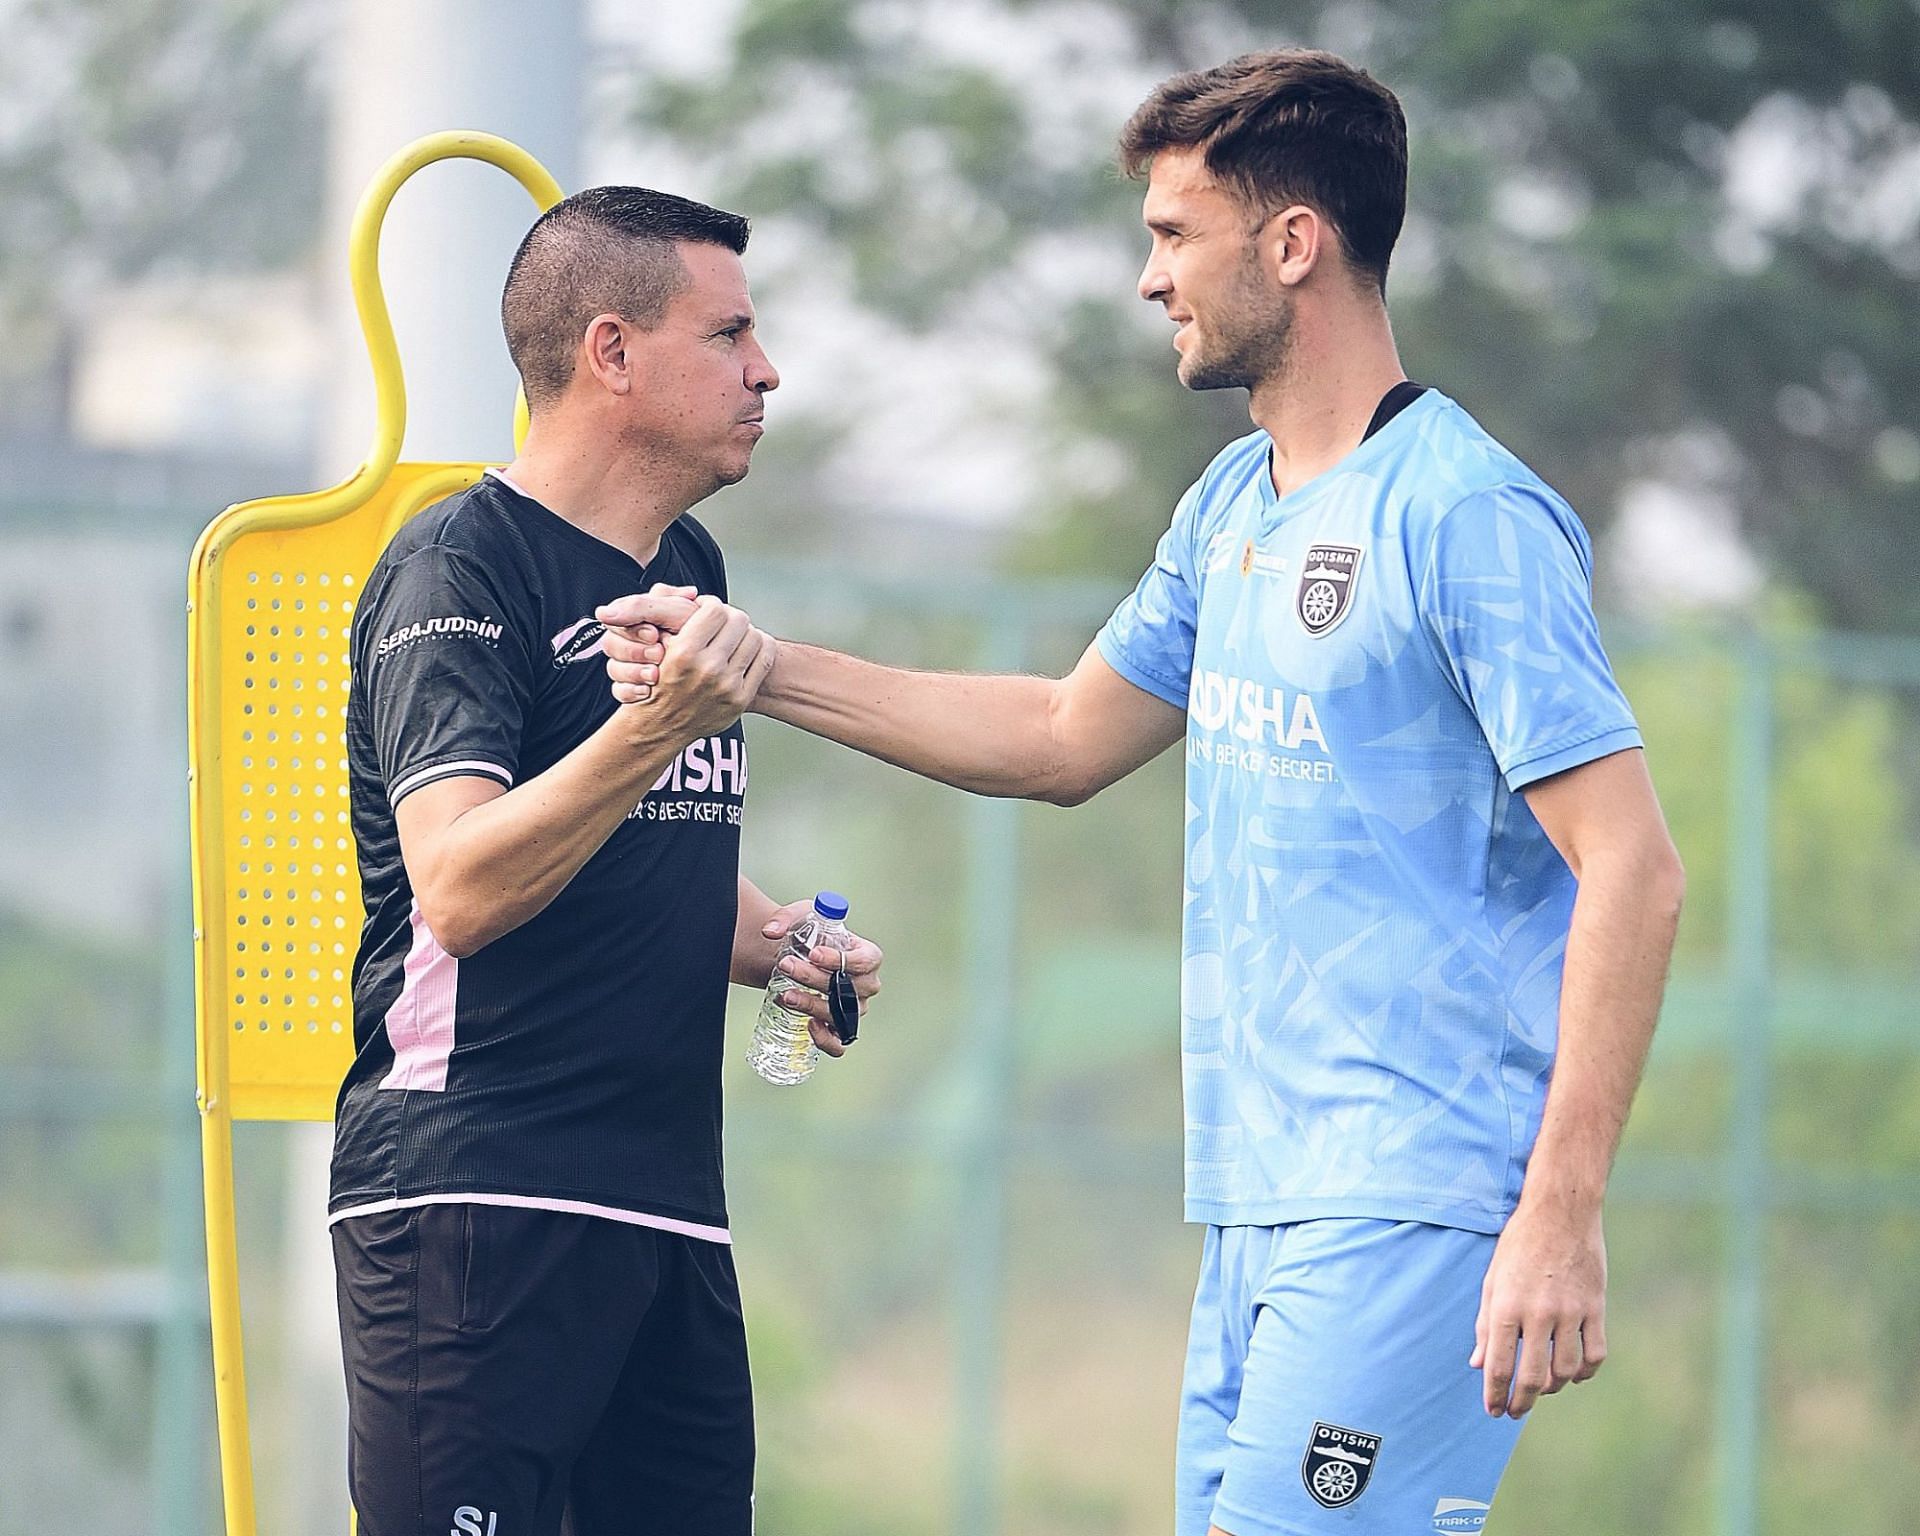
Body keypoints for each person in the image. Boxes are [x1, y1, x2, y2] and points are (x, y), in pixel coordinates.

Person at [602, 49, 1684, 1536]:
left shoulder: (1469, 516)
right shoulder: (1231, 505)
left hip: (1418, 1194)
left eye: (1174, 234)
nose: (1148, 277)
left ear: (1292, 242)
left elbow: (1634, 866)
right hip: (1256, 1200)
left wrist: (1560, 1212)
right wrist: (756, 665)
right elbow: (1058, 735)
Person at [330, 185, 883, 1536]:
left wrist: (783, 945)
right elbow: (459, 885)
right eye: (730, 335)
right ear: (613, 354)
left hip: (668, 1205)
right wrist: (656, 731)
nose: (767, 371)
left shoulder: (689, 563)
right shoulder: (456, 568)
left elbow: (640, 844)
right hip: (476, 1196)